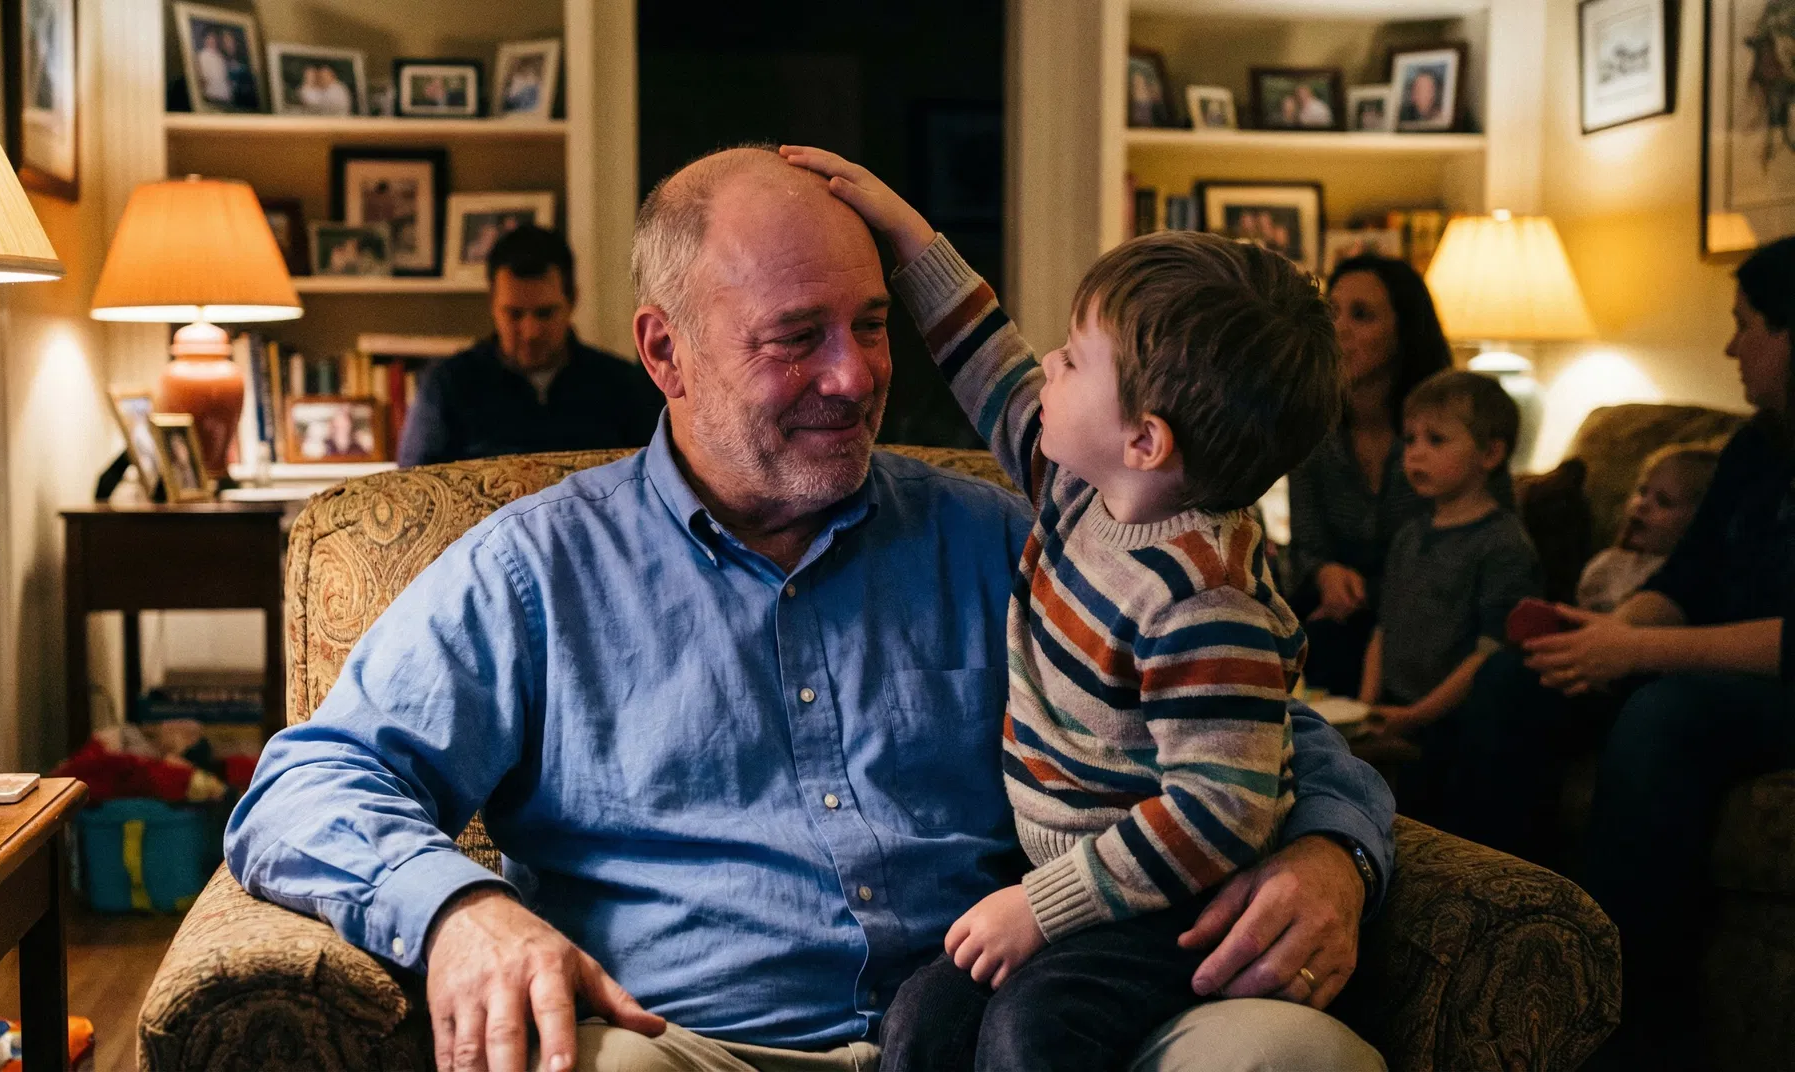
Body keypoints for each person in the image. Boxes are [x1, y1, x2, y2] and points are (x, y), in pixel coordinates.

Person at [229, 146, 1395, 1072]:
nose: (855, 375)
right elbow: (305, 786)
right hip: (687, 1042)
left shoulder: (1013, 536)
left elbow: (1262, 730)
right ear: (665, 351)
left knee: (1294, 1054)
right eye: (797, 340)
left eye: (874, 325)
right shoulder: (532, 571)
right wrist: (460, 911)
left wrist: (1333, 852)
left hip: (1023, 1022)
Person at [781, 148, 1343, 1071]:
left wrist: (1042, 909)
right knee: (923, 1020)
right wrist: (908, 235)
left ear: (1146, 438)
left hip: (1167, 907)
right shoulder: (1084, 492)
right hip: (1072, 887)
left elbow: (1218, 813)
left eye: (1075, 360)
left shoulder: (1207, 598)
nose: (1045, 363)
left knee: (1032, 1036)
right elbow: (986, 362)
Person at [1437, 235, 1793, 1070]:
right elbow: (1690, 576)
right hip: (1702, 658)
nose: (1730, 348)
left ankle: (1627, 1020)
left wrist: (1638, 654)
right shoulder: (1755, 447)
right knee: (1517, 676)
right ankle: (1482, 952)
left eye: (1747, 326)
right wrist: (1607, 634)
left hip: (1770, 682)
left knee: (1665, 715)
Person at [1287, 256, 1479, 697]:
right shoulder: (1311, 425)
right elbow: (1306, 544)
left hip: (1429, 607)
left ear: (1403, 330)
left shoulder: (1446, 432)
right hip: (1338, 609)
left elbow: (1465, 548)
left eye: (1362, 315)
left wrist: (1370, 593)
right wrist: (1325, 571)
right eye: (1332, 312)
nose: (1340, 329)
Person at [1354, 371, 1539, 816]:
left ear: (1491, 453)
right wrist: (1364, 708)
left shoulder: (1503, 543)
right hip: (1394, 709)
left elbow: (1488, 653)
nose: (1415, 453)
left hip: (1454, 724)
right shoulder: (1409, 535)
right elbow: (1385, 627)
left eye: (1436, 440)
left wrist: (1416, 715)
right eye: (1411, 439)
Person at [395, 226, 663, 466]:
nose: (531, 331)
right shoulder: (446, 386)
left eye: (545, 313)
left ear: (572, 301)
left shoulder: (623, 385)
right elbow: (415, 493)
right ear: (492, 304)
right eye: (514, 314)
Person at [1573, 444, 1720, 613]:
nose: (1642, 504)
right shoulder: (1607, 564)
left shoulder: (1682, 582)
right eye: (1642, 491)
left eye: (1663, 501)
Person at [195, 30, 231, 105]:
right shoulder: (201, 55)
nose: (212, 41)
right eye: (209, 38)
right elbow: (201, 78)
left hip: (225, 95)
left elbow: (224, 77)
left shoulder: (220, 55)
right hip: (212, 95)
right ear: (204, 40)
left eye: (213, 38)